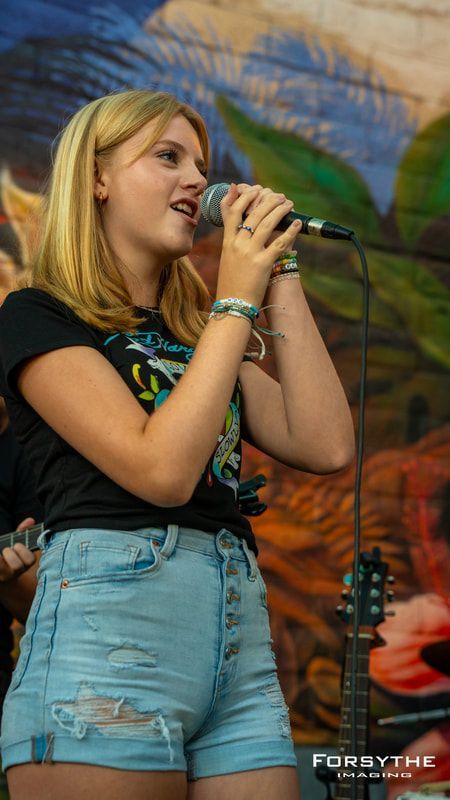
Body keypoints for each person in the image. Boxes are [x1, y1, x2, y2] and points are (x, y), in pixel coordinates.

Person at [0, 89, 355, 800]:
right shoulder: (37, 315)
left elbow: (325, 445)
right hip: (109, 640)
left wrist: (278, 272)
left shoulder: (201, 334)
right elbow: (161, 471)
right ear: (97, 178)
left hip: (235, 637)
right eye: (168, 157)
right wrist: (234, 301)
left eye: (202, 166)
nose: (197, 180)